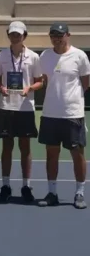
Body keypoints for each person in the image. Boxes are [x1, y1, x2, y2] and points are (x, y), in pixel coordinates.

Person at [38, 22, 89, 208]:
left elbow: (85, 83)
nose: (57, 38)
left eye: (60, 35)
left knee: (77, 154)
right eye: (53, 35)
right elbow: (44, 80)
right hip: (50, 114)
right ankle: (52, 193)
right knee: (51, 155)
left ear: (68, 35)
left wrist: (70, 101)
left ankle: (79, 193)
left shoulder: (80, 56)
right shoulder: (44, 56)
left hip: (72, 114)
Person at [0, 21, 43, 204]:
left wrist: (29, 88)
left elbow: (40, 82)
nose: (15, 37)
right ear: (8, 35)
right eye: (13, 34)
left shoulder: (33, 57)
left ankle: (26, 185)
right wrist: (1, 88)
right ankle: (5, 185)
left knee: (25, 148)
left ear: (24, 36)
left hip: (25, 107)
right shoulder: (0, 56)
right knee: (7, 148)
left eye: (19, 34)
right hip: (6, 106)